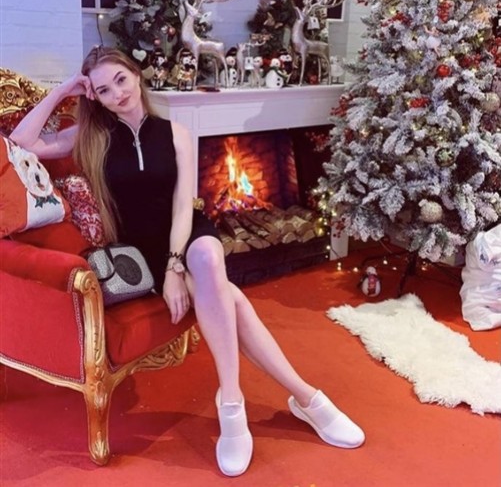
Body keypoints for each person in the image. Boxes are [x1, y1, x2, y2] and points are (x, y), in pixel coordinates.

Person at [10, 46, 364, 476]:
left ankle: (231, 400)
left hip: (184, 234)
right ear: (95, 97)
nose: (117, 94)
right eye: (103, 90)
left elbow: (183, 205)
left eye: (121, 80)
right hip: (141, 250)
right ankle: (306, 397)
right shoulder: (90, 138)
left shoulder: (175, 132)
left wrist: (175, 267)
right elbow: (20, 143)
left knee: (209, 256)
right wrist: (66, 89)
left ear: (136, 75)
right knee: (231, 300)